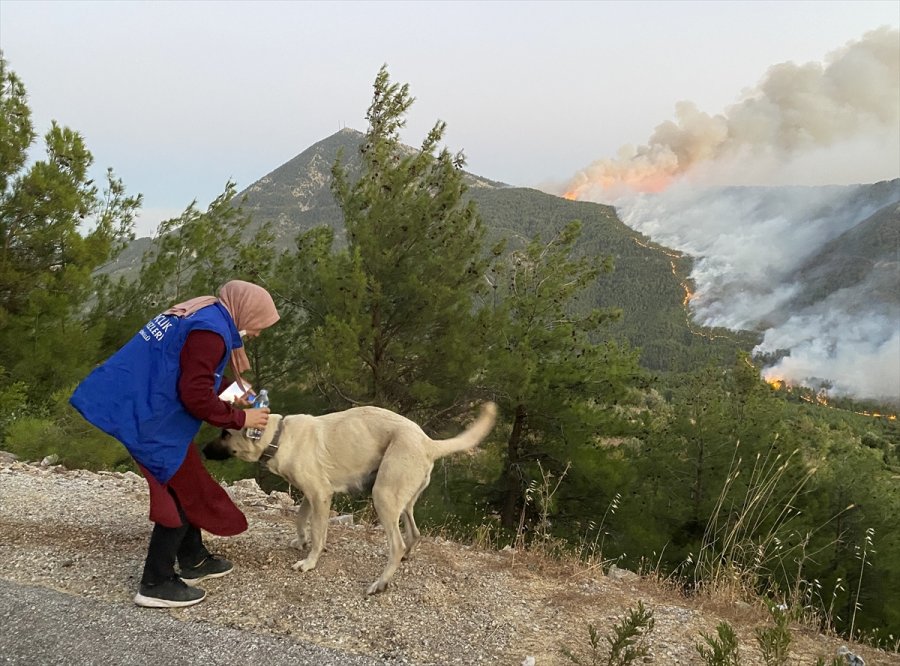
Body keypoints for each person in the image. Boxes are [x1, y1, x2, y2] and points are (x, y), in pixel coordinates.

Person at [70, 280, 280, 608]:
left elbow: (197, 373)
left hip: (139, 403)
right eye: (259, 325)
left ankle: (193, 558)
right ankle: (156, 582)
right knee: (181, 491)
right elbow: (194, 394)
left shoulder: (205, 313)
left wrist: (240, 394)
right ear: (245, 312)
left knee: (188, 482)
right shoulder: (211, 332)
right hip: (148, 417)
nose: (257, 333)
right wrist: (241, 420)